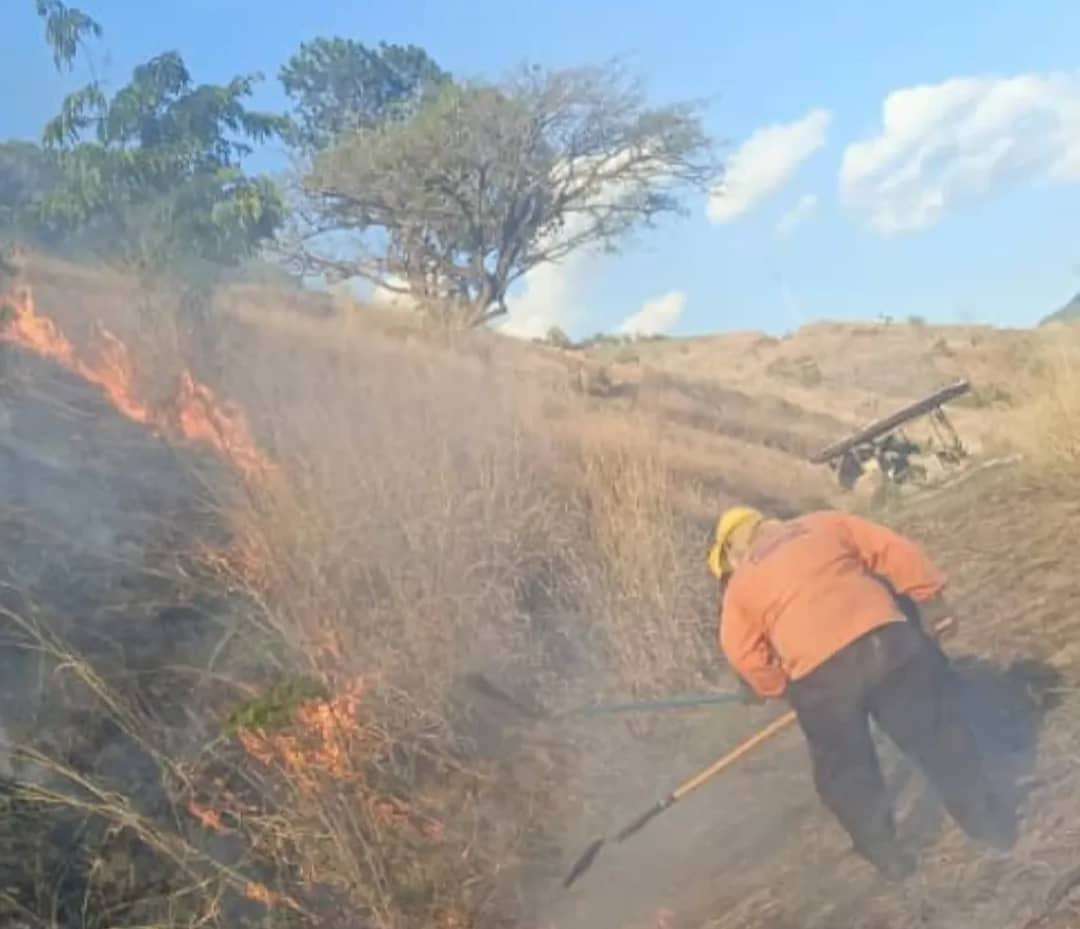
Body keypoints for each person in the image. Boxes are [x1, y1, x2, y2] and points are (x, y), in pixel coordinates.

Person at [707, 506, 1015, 880]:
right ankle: (991, 826)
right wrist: (931, 600)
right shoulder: (824, 523)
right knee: (936, 735)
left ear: (733, 554)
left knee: (847, 772)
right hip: (888, 642)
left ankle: (889, 857)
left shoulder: (742, 584)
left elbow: (742, 654)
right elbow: (894, 550)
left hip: (822, 679)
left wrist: (777, 687)